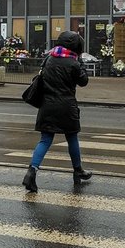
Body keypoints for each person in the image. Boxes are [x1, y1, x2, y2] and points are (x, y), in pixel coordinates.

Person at [22, 31, 91, 192]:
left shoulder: (49, 59)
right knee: (72, 137)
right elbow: (84, 82)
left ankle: (31, 172)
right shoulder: (73, 63)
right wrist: (80, 62)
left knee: (45, 140)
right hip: (67, 106)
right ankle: (78, 170)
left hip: (47, 106)